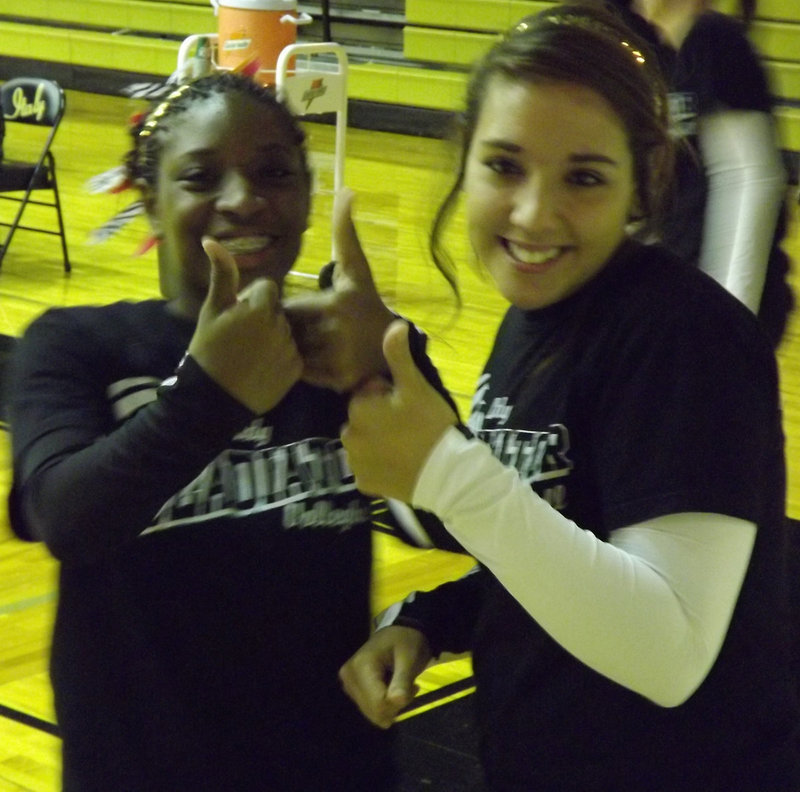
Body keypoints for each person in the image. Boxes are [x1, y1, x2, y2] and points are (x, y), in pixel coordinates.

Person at [338, 5, 799, 790]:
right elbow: (563, 534)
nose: (532, 213)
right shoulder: (541, 313)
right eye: (504, 166)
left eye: (583, 177)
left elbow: (667, 649)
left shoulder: (685, 338)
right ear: (464, 161)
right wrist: (432, 620)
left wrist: (447, 471)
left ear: (642, 185)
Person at [5, 71, 440, 792]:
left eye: (274, 172)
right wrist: (210, 396)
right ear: (151, 201)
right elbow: (68, 515)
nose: (243, 198)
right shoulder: (77, 346)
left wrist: (396, 365)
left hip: (333, 771)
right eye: (203, 176)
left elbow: (454, 528)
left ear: (305, 194)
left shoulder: (344, 351)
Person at [633, 0, 793, 344]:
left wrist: (728, 315)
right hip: (683, 290)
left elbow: (750, 179)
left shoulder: (715, 40)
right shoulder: (666, 52)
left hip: (723, 299)